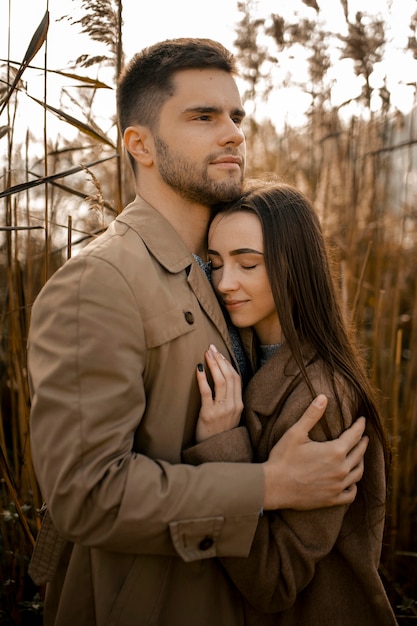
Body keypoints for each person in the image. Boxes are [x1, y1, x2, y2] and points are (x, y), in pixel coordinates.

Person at [27, 39, 368, 626]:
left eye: (236, 115)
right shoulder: (99, 282)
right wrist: (266, 486)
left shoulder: (224, 266)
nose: (234, 132)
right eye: (203, 116)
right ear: (140, 145)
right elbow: (86, 495)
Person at [185, 180, 397, 625]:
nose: (225, 282)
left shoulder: (320, 399)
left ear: (294, 266)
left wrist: (223, 447)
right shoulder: (241, 353)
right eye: (216, 263)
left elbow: (274, 580)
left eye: (247, 264)